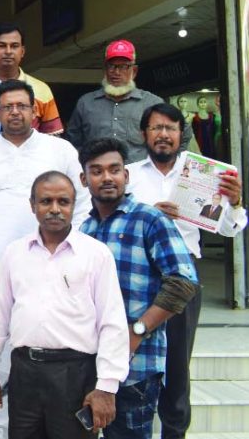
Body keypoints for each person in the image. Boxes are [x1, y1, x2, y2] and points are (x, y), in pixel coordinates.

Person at [0, 79, 90, 438]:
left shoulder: (59, 151)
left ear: (35, 111)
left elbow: (84, 205)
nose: (15, 112)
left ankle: (42, 419)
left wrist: (66, 249)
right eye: (8, 107)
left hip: (49, 263)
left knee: (38, 336)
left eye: (22, 106)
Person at [125, 102, 246, 439]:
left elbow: (227, 229)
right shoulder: (128, 175)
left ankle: (174, 434)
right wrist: (149, 213)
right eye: (156, 128)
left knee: (177, 365)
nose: (163, 135)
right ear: (144, 134)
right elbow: (111, 219)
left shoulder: (206, 177)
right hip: (137, 275)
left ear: (181, 135)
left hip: (182, 278)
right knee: (129, 359)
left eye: (171, 129)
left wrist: (234, 204)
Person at [0, 171, 129, 439]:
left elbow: (112, 324)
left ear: (74, 205)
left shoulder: (96, 254)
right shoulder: (15, 253)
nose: (55, 209)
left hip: (75, 372)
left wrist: (106, 386)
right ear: (32, 205)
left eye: (63, 201)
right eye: (46, 201)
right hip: (25, 371)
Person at [78, 138, 199, 439]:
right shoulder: (85, 230)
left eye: (114, 170)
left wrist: (138, 331)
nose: (107, 177)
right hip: (93, 364)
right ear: (84, 179)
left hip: (138, 366)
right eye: (97, 171)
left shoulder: (150, 219)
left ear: (126, 176)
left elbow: (183, 282)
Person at [66, 40, 193, 162]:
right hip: (99, 179)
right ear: (105, 69)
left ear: (134, 71)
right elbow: (72, 144)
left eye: (123, 67)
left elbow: (184, 132)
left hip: (140, 180)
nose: (116, 72)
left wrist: (168, 162)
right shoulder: (86, 103)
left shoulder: (152, 103)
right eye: (112, 66)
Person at [0, 22, 62, 135]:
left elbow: (53, 138)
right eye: (2, 46)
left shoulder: (42, 90)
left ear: (22, 51)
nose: (8, 51)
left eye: (14, 46)